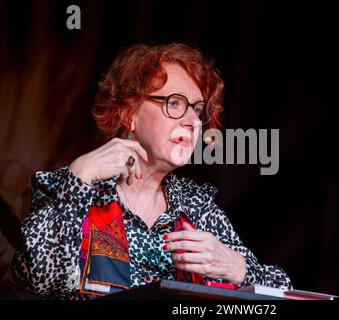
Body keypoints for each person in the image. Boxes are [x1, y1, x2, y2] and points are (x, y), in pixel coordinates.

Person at [11, 43, 292, 299]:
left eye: (197, 109)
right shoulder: (68, 186)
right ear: (129, 113)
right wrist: (80, 174)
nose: (192, 121)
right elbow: (37, 278)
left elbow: (284, 294)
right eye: (174, 103)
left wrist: (238, 268)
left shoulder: (197, 208)